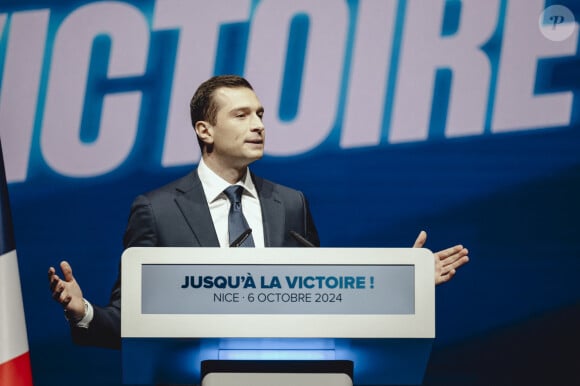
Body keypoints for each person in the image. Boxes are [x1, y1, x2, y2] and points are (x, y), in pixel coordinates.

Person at [48, 75, 469, 349]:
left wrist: (405, 281)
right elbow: (130, 320)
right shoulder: (156, 210)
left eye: (261, 114)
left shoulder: (290, 203)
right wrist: (83, 312)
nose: (259, 125)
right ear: (204, 130)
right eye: (242, 114)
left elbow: (322, 298)